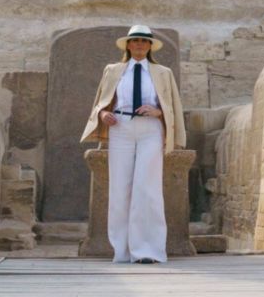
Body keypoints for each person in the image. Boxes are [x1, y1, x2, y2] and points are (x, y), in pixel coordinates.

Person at [80, 24, 186, 263]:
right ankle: (122, 251)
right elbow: (100, 102)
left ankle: (148, 251)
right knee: (120, 189)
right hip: (121, 128)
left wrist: (158, 112)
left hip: (151, 129)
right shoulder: (113, 70)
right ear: (128, 44)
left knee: (147, 188)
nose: (139, 44)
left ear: (150, 46)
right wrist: (102, 114)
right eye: (135, 40)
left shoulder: (163, 72)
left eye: (144, 41)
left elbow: (172, 105)